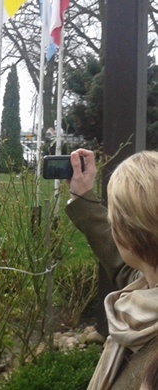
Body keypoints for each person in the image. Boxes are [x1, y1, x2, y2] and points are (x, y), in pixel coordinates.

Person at [65, 149, 158, 390]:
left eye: (113, 221)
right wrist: (83, 198)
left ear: (128, 239)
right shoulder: (148, 283)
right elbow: (131, 264)